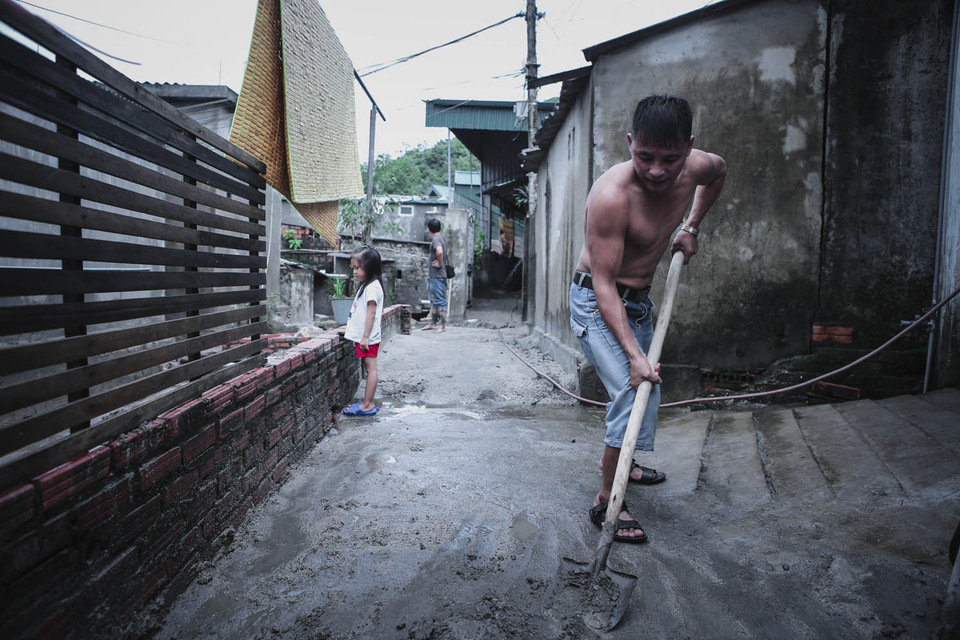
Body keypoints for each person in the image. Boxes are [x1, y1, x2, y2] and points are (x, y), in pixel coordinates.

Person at [569, 95, 727, 543]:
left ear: (688, 148)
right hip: (596, 301)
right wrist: (634, 356)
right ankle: (607, 500)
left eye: (670, 159)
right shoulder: (612, 197)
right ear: (630, 143)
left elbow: (719, 172)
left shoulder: (698, 166)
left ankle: (627, 464)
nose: (657, 170)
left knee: (646, 389)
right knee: (632, 385)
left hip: (637, 301)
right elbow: (602, 286)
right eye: (645, 157)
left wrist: (690, 227)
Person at [342, 245, 384, 416]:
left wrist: (365, 337)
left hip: (369, 338)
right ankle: (367, 401)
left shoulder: (372, 287)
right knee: (369, 368)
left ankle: (368, 403)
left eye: (358, 268)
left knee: (371, 369)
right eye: (353, 268)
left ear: (370, 267)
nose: (354, 271)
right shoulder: (367, 286)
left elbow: (371, 313)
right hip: (365, 337)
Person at [423, 218, 449, 333]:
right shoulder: (442, 238)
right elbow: (446, 251)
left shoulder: (436, 240)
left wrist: (439, 262)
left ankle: (442, 326)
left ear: (429, 229)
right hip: (436, 275)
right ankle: (433, 323)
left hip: (437, 275)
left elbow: (440, 251)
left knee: (440, 300)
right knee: (434, 300)